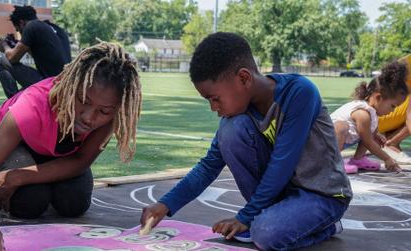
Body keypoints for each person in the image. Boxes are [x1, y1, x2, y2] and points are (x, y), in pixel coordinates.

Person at [140, 32, 352, 250]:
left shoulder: (298, 93)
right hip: (283, 195)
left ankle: (327, 227)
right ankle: (269, 215)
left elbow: (282, 164)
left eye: (215, 98)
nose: (213, 107)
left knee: (266, 235)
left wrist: (246, 217)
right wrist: (165, 204)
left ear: (243, 78)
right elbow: (208, 166)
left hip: (322, 195)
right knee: (230, 130)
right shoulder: (240, 112)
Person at [0, 42, 142, 251]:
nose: (89, 118)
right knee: (30, 202)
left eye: (104, 111)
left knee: (74, 202)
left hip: (54, 152)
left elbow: (80, 161)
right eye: (82, 100)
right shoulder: (32, 107)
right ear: (70, 87)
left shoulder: (111, 116)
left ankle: (34, 179)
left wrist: (18, 176)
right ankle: (22, 180)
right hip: (17, 142)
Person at [331, 61, 408, 174]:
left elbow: (368, 136)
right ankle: (332, 164)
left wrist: (376, 135)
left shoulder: (373, 115)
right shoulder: (363, 114)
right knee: (341, 126)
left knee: (370, 133)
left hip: (330, 145)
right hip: (319, 142)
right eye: (392, 106)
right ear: (378, 98)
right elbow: (368, 142)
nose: (393, 111)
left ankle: (358, 159)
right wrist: (387, 158)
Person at [0, 5, 71, 98]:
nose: (20, 34)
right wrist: (17, 44)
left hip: (50, 83)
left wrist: (5, 45)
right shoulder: (55, 29)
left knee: (0, 62)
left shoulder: (31, 26)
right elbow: (44, 55)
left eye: (18, 30)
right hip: (66, 84)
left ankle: (13, 104)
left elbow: (12, 58)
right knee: (23, 91)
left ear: (22, 23)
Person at [378, 55, 411, 163]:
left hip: (381, 115)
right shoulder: (407, 65)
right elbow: (409, 115)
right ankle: (391, 143)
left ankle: (392, 141)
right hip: (381, 114)